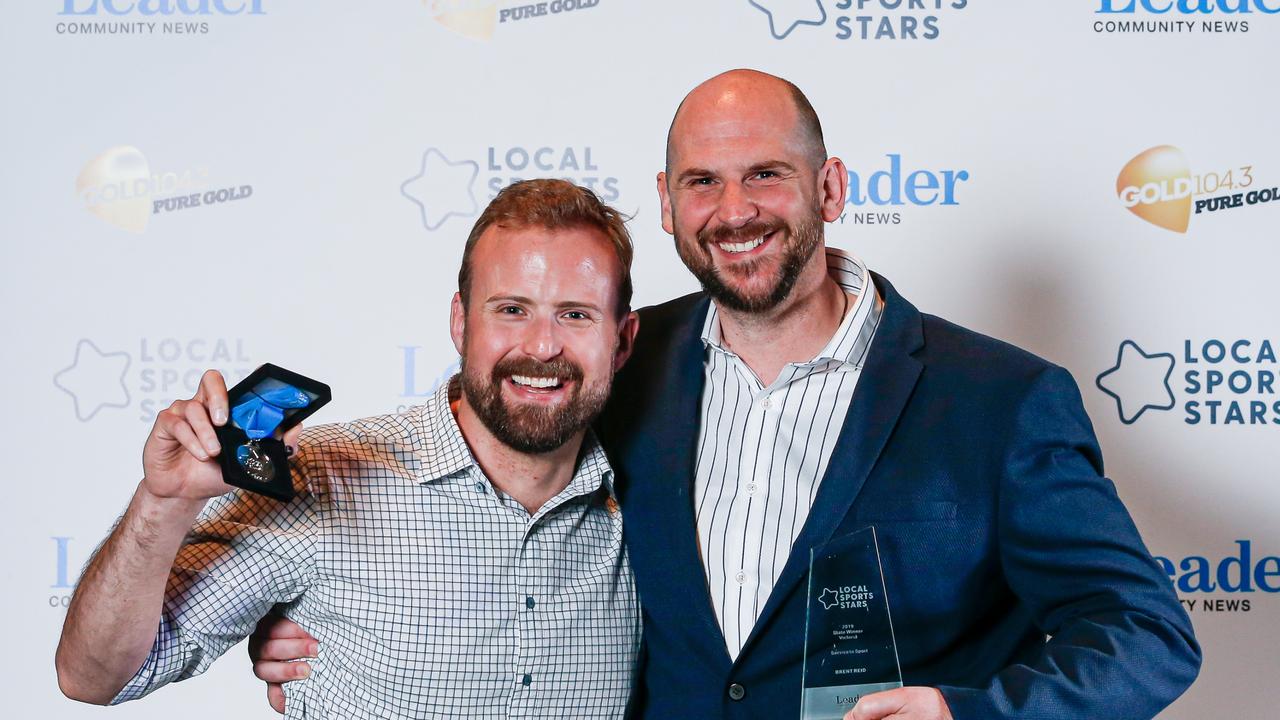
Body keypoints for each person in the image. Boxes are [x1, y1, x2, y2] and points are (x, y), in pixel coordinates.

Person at [252, 70, 1201, 720]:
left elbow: (1146, 632)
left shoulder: (999, 399)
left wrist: (970, 712)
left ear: (828, 186)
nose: (734, 210)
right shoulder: (619, 359)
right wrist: (336, 611)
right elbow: (494, 495)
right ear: (667, 204)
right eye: (702, 181)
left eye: (765, 175)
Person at [54, 179, 643, 719]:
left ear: (622, 341)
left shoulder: (647, 502)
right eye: (512, 310)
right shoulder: (323, 478)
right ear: (461, 323)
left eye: (575, 315)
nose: (542, 346)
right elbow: (94, 677)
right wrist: (163, 504)